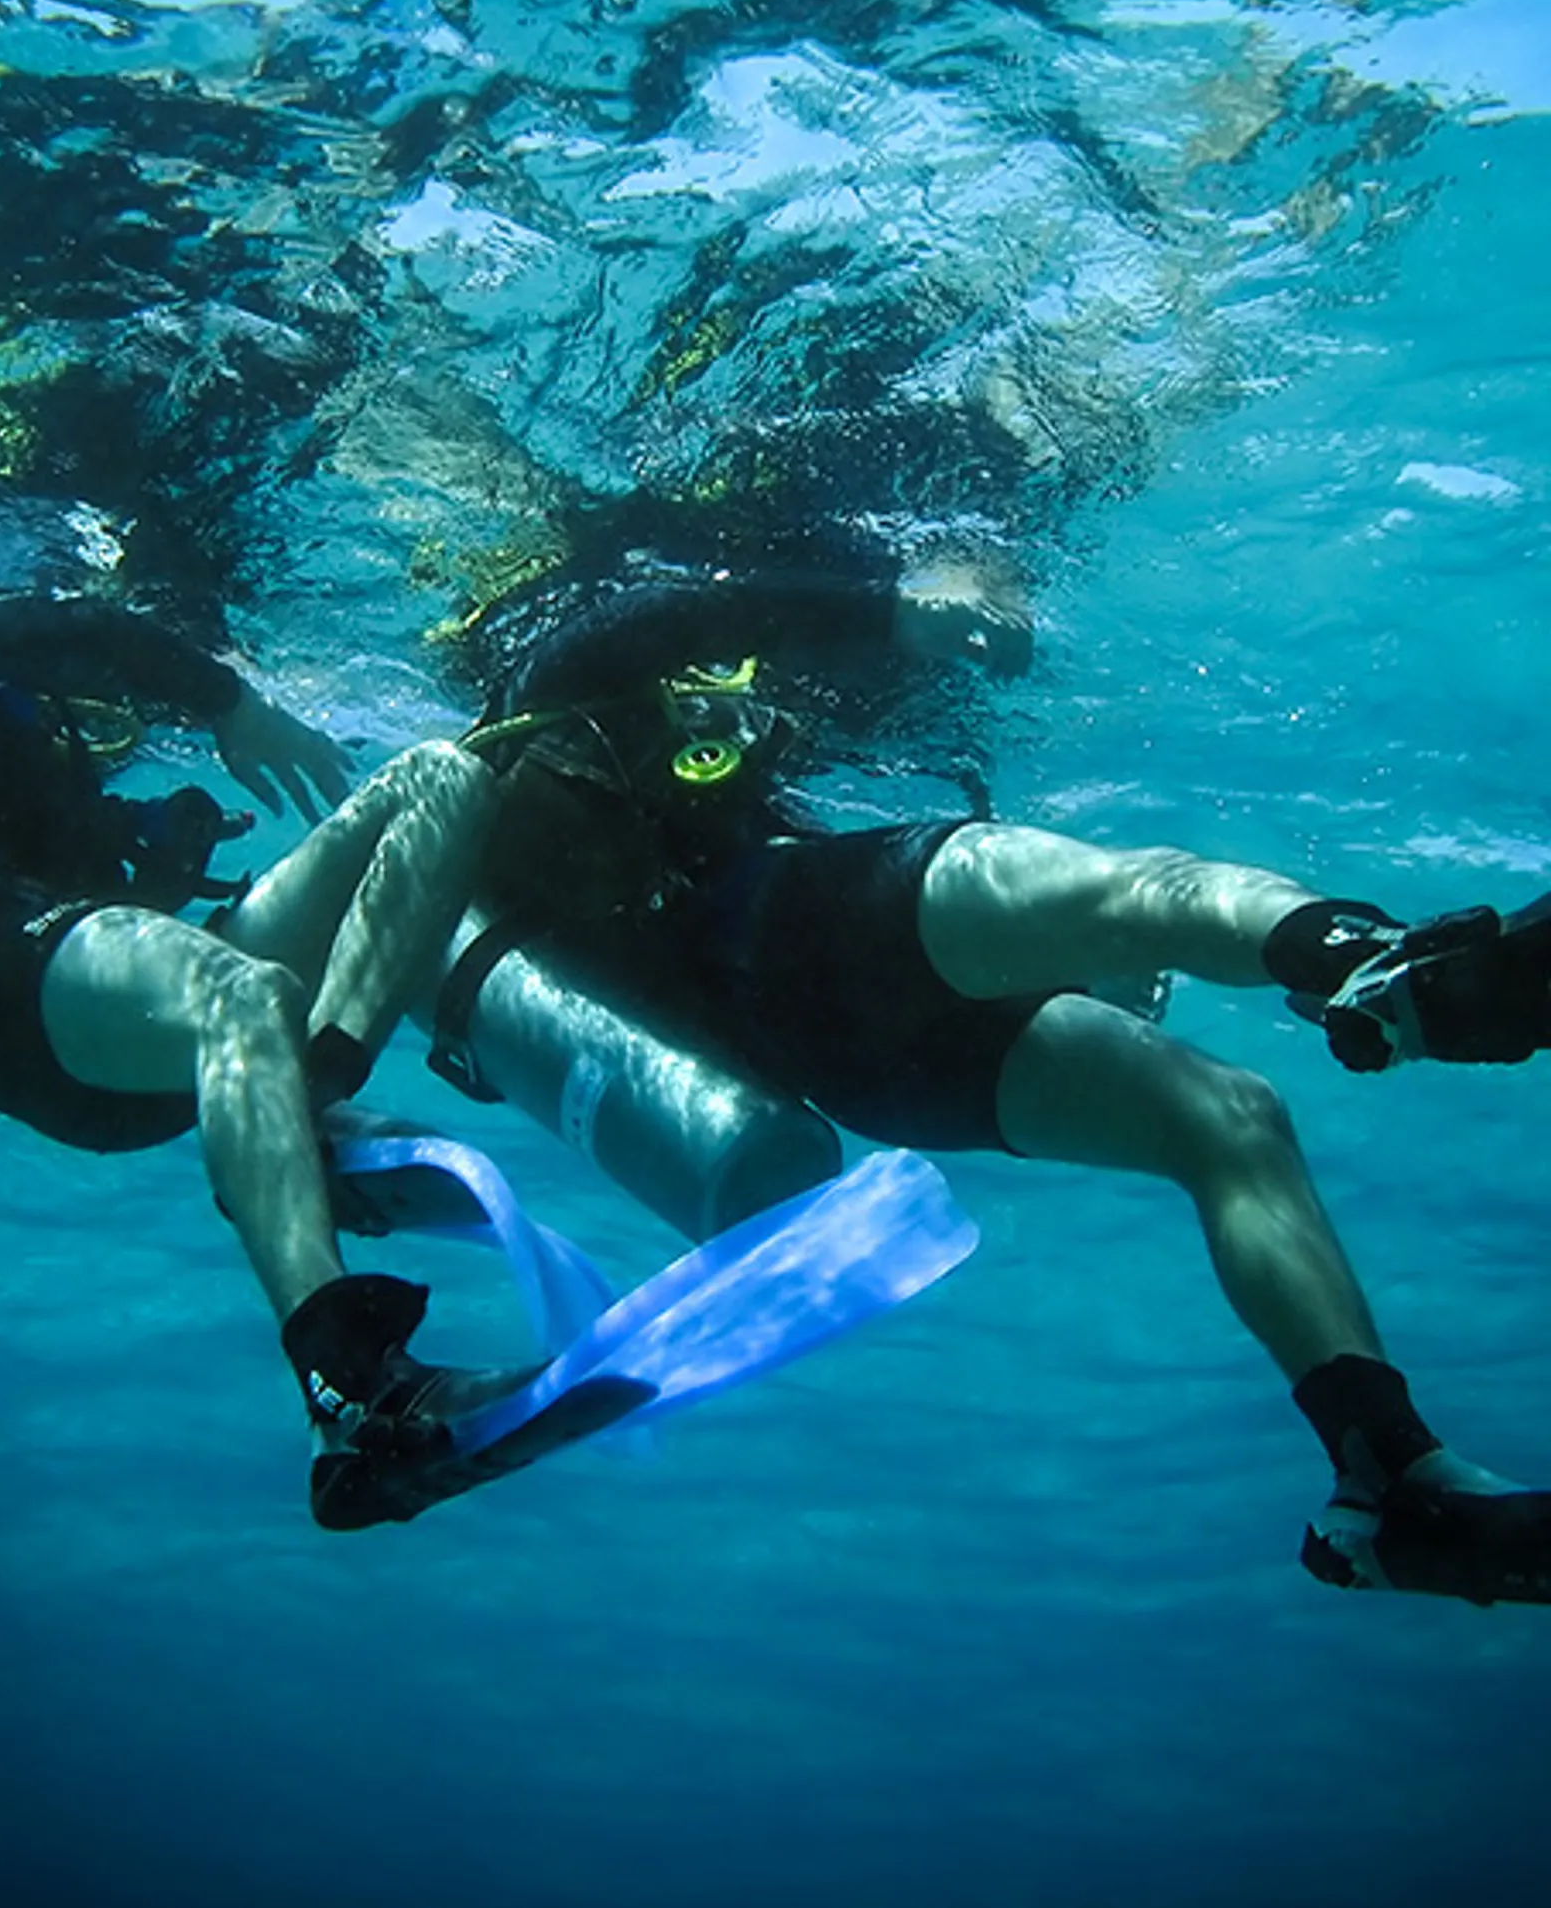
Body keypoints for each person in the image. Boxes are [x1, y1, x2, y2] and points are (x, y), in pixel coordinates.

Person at [432, 530, 1551, 1605]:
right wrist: (900, 608)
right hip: (802, 928)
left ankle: (1390, 1478)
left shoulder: (525, 839)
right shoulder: (552, 682)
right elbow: (677, 613)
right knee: (1137, 891)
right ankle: (1371, 966)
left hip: (837, 1064)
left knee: (1222, 1117)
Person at [0, 495, 530, 1528]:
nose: (107, 737)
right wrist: (226, 701)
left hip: (103, 1012)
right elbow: (76, 628)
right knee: (237, 991)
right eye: (98, 722)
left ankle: (300, 1102)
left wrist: (151, 857)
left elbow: (73, 903)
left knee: (439, 779)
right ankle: (349, 1394)